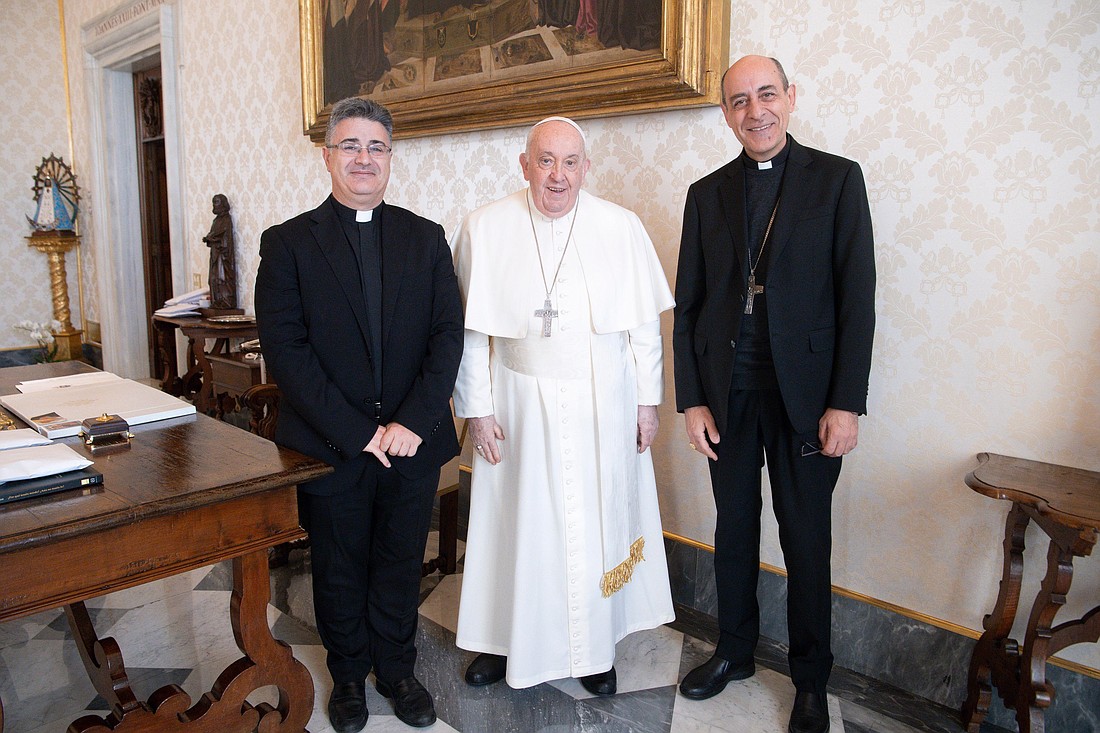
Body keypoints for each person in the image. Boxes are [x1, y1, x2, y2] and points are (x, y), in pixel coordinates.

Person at [672, 56, 875, 733]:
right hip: (727, 394)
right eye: (738, 101)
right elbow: (690, 304)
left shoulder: (838, 180)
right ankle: (734, 649)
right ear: (726, 113)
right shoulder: (705, 193)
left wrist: (845, 403)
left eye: (766, 94)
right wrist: (691, 400)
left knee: (805, 538)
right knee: (733, 530)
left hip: (808, 399)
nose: (754, 110)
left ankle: (810, 679)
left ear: (791, 97)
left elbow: (858, 299)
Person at [255, 96, 463, 732]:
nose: (364, 159)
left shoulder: (425, 238)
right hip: (330, 444)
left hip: (410, 442)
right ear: (327, 158)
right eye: (351, 146)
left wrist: (410, 424)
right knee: (339, 564)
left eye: (376, 147)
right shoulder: (287, 243)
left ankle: (397, 670)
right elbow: (287, 353)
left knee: (401, 560)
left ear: (391, 158)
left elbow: (445, 338)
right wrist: (359, 431)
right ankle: (347, 676)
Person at [451, 116, 675, 695]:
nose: (558, 175)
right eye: (545, 161)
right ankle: (503, 643)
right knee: (515, 526)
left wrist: (647, 403)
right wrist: (476, 408)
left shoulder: (620, 227)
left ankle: (594, 650)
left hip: (604, 403)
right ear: (524, 165)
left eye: (570, 162)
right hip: (517, 403)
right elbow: (470, 333)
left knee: (596, 521)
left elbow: (644, 328)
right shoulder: (485, 227)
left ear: (586, 167)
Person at [203, 193, 237, 310]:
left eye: (217, 202)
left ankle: (226, 301)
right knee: (214, 278)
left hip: (222, 255)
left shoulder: (226, 219)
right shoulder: (216, 220)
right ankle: (217, 301)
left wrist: (212, 238)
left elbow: (224, 237)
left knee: (222, 278)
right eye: (214, 202)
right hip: (215, 254)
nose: (214, 205)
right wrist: (209, 238)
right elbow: (214, 234)